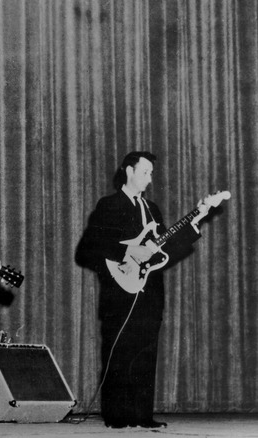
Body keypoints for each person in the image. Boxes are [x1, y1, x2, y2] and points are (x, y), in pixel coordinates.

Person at [75, 151, 207, 429]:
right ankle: (117, 416)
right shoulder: (109, 205)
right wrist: (128, 251)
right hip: (119, 289)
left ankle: (142, 415)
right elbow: (87, 250)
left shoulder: (153, 209)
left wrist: (196, 220)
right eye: (145, 172)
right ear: (128, 171)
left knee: (146, 352)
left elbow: (165, 249)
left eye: (151, 173)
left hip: (151, 290)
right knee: (120, 351)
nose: (150, 178)